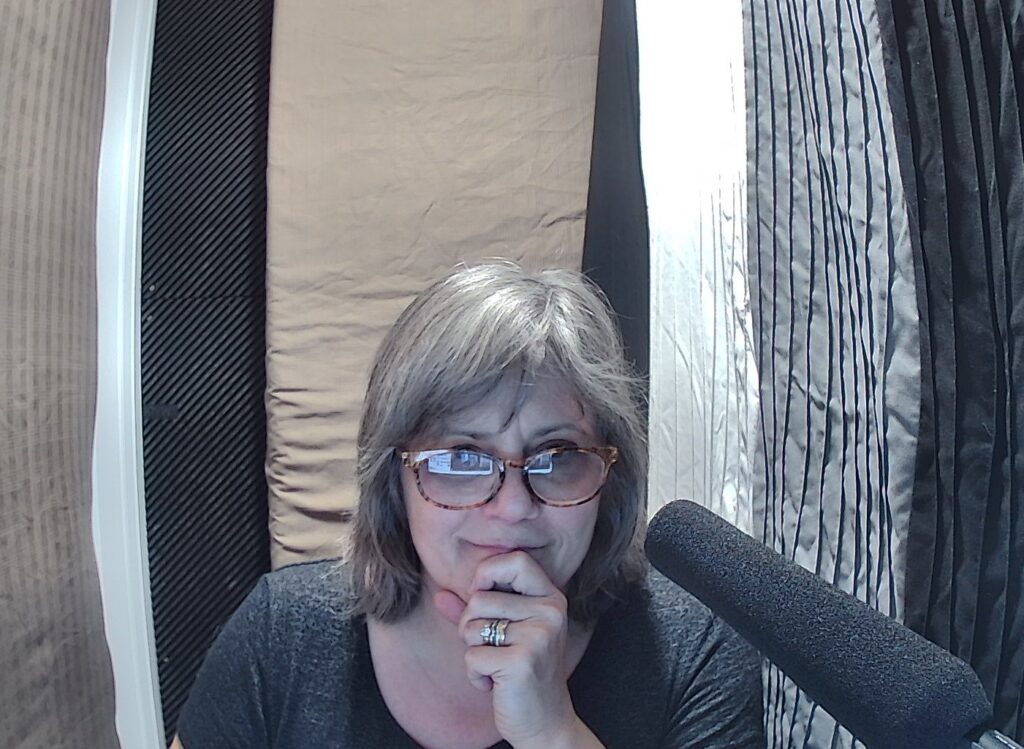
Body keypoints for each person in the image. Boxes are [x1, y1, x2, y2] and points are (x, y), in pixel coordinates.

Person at [172, 262, 764, 748]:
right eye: (460, 458)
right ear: (394, 479)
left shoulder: (696, 646)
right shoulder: (283, 634)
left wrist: (552, 732)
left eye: (557, 456)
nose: (511, 508)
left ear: (611, 474)